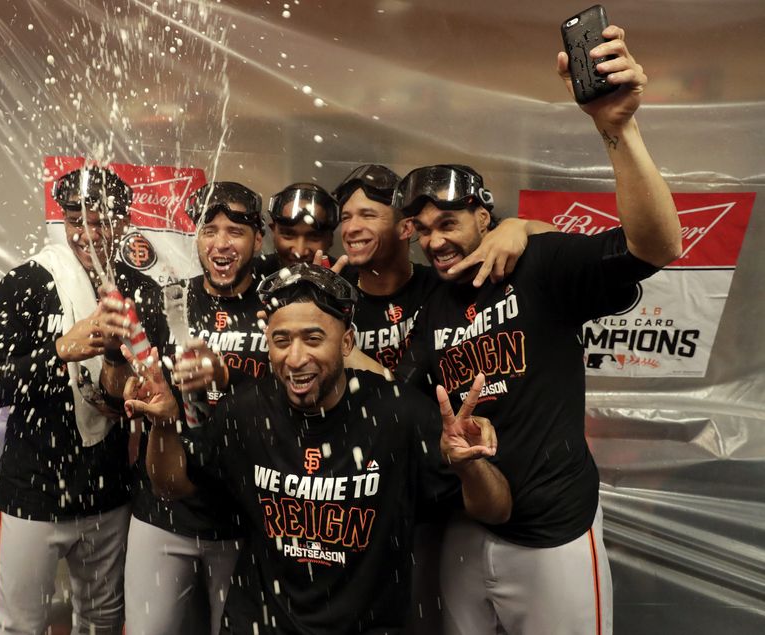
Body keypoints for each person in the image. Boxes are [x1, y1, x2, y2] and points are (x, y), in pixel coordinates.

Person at [393, 26, 682, 635]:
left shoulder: (538, 265)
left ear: (483, 216)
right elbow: (402, 397)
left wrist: (619, 128)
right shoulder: (431, 306)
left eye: (448, 223)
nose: (435, 241)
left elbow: (656, 245)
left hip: (554, 534)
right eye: (423, 231)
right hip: (467, 531)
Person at [124, 264, 512, 634]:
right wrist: (164, 425)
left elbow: (498, 509)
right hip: (261, 624)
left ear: (346, 343)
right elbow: (171, 485)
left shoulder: (398, 413)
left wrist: (470, 466)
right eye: (281, 341)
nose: (295, 359)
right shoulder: (245, 411)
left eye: (313, 339)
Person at [0, 166, 165, 634]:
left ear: (123, 222)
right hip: (33, 489)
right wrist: (60, 350)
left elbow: (146, 396)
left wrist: (118, 369)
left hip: (109, 490)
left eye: (101, 223)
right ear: (62, 219)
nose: (88, 235)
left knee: (103, 623)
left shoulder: (140, 291)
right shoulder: (27, 283)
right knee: (14, 628)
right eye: (77, 222)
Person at [124, 181, 270, 635]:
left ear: (258, 240)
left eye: (235, 232)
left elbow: (294, 398)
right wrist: (129, 384)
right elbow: (132, 381)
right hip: (166, 508)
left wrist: (227, 378)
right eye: (210, 230)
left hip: (246, 516)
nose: (220, 244)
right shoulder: (169, 301)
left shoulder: (274, 306)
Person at [334, 164, 555, 375]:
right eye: (345, 218)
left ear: (406, 228)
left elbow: (569, 252)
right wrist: (326, 329)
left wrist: (520, 226)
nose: (352, 228)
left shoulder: (439, 286)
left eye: (368, 215)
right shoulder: (335, 293)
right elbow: (401, 387)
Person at [255, 182, 342, 275]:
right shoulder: (253, 271)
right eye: (288, 234)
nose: (299, 252)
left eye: (314, 236)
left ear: (330, 239)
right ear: (274, 232)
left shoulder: (348, 278)